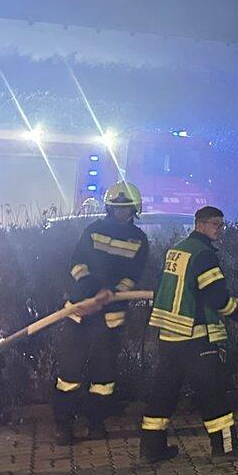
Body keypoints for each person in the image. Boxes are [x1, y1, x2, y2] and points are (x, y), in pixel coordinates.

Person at [139, 205, 238, 464]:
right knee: (213, 392)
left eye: (221, 225)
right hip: (194, 336)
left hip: (169, 335)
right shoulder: (203, 254)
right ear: (200, 224)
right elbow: (216, 296)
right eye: (216, 224)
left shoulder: (178, 250)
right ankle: (225, 448)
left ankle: (151, 449)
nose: (220, 230)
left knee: (163, 393)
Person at [53, 180, 149, 445]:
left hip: (110, 319)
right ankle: (63, 426)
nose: (121, 212)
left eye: (126, 208)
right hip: (80, 314)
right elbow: (77, 263)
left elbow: (133, 276)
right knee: (69, 375)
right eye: (117, 208)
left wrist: (115, 292)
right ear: (109, 208)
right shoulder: (93, 230)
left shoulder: (139, 240)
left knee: (103, 378)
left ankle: (96, 423)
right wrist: (89, 287)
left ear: (134, 210)